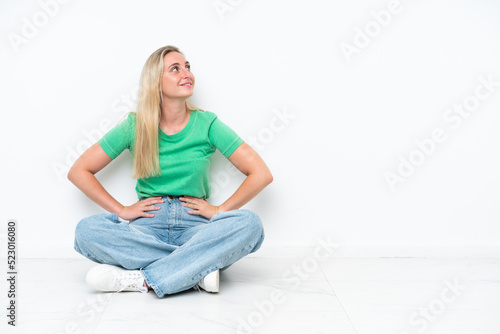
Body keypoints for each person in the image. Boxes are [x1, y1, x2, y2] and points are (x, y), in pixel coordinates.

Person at [68, 45, 273, 298]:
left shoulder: (207, 124)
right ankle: (195, 272)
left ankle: (144, 279)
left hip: (197, 229)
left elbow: (261, 173)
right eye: (175, 69)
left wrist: (218, 211)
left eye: (187, 67)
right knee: (86, 231)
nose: (186, 73)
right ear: (156, 82)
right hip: (148, 227)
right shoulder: (134, 125)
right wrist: (122, 210)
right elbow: (79, 171)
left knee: (250, 225)